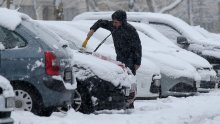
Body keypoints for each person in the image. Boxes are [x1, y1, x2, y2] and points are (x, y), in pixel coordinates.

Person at [85, 10, 142, 75]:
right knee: (121, 77)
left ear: (122, 22)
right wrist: (92, 30)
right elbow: (100, 22)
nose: (114, 24)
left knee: (129, 78)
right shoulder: (112, 26)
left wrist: (138, 62)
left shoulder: (131, 30)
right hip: (119, 57)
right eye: (113, 22)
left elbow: (138, 47)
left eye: (116, 22)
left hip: (130, 59)